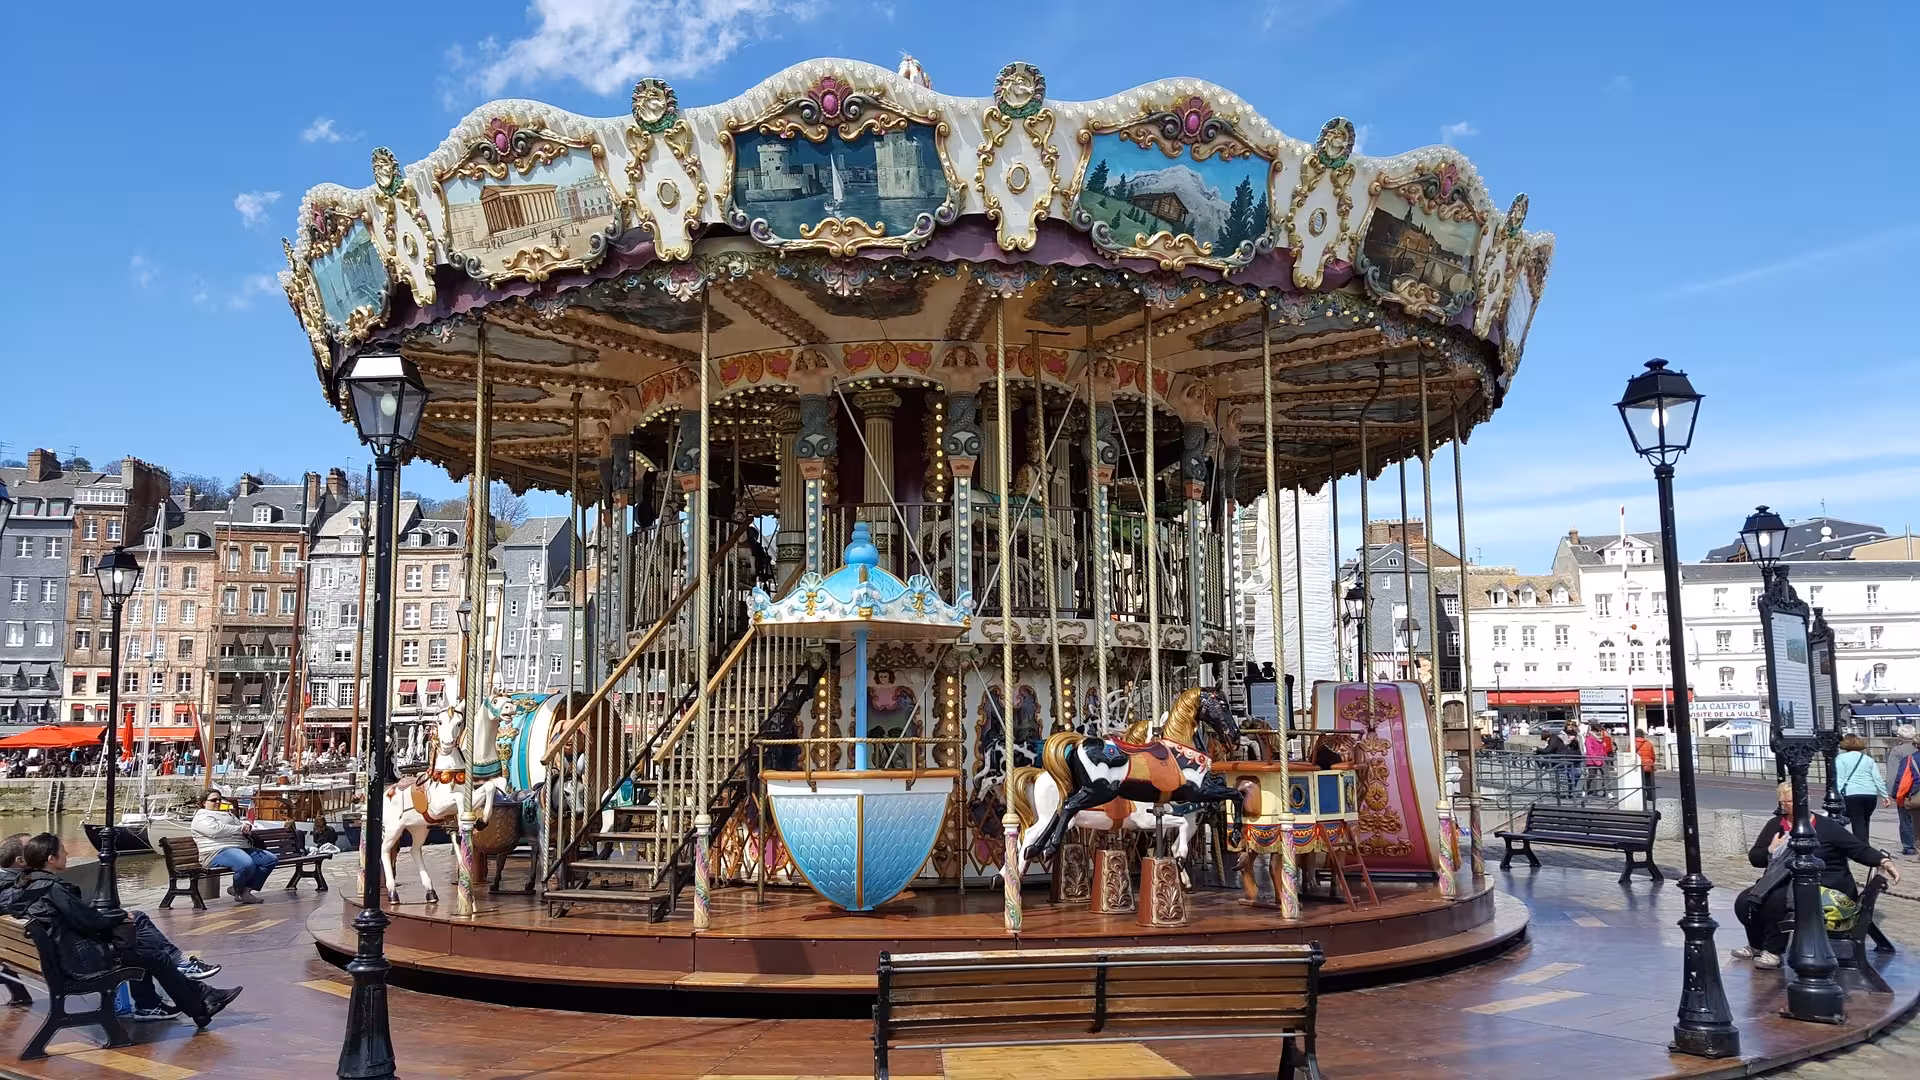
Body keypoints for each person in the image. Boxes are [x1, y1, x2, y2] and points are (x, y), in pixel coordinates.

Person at [9, 834, 241, 1027]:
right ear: (51, 859)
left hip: (62, 956)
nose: (67, 855)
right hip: (80, 963)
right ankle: (200, 1005)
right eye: (63, 851)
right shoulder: (52, 887)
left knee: (144, 950)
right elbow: (91, 922)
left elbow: (80, 919)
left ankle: (202, 1002)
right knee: (154, 956)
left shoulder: (25, 885)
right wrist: (120, 915)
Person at [1732, 782, 1902, 969]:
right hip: (1780, 881)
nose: (1796, 805)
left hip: (1826, 884)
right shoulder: (1775, 825)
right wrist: (1771, 850)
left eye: (1801, 800)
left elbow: (1858, 849)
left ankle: (1773, 951)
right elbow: (1755, 859)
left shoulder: (1826, 826)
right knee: (1746, 899)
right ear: (1781, 803)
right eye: (1790, 801)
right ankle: (1756, 946)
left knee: (1776, 900)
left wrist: (1884, 861)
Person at [192, 791, 278, 904]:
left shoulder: (228, 814)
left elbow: (239, 826)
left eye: (219, 799)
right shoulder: (202, 816)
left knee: (270, 859)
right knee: (246, 864)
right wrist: (239, 829)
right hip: (216, 851)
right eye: (213, 800)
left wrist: (246, 827)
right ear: (204, 803)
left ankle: (245, 891)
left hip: (239, 847)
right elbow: (215, 830)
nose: (218, 802)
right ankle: (238, 890)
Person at [1833, 734, 1892, 845]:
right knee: (1865, 820)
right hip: (1870, 794)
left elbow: (1839, 779)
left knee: (1857, 822)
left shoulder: (1840, 759)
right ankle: (1866, 845)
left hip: (1852, 793)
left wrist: (1838, 795)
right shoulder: (1868, 759)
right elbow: (1878, 778)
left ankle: (1861, 848)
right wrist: (1885, 795)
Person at [1889, 726, 1918, 857]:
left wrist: (1893, 793)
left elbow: (1894, 774)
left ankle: (1909, 846)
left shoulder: (1897, 751)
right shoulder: (1914, 750)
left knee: (1906, 819)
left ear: (1900, 737)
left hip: (1909, 791)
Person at [1634, 727, 1657, 805]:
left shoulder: (1633, 743)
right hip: (1648, 766)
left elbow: (1630, 755)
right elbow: (1653, 755)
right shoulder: (1648, 743)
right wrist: (1651, 762)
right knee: (1649, 783)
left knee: (1638, 783)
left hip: (1639, 766)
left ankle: (1640, 799)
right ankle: (1651, 799)